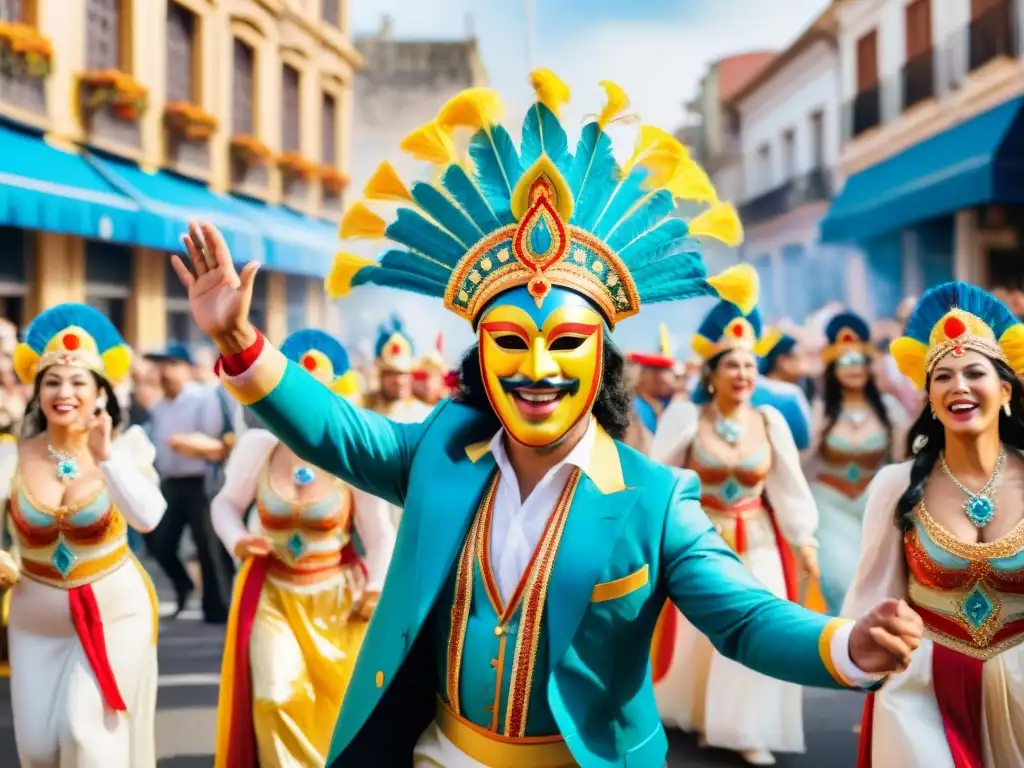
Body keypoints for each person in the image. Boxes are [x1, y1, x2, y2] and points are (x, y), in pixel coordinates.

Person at [172, 71, 922, 768]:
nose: (538, 366)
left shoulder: (654, 500)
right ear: (480, 358)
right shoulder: (439, 449)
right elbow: (335, 431)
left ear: (601, 361)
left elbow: (746, 619)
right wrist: (239, 340)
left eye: (565, 343)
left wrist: (846, 643)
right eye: (510, 342)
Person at [845, 282, 1024, 767]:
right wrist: (866, 661)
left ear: (1005, 389)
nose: (958, 386)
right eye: (942, 376)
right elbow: (872, 597)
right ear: (928, 396)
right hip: (920, 687)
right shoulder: (897, 484)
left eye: (974, 372)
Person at [211, 328, 395, 768]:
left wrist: (375, 590)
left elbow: (380, 533)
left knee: (335, 710)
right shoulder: (258, 446)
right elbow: (224, 504)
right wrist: (238, 540)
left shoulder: (351, 452)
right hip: (272, 593)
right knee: (275, 696)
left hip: (337, 600)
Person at [649, 294, 821, 765]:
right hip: (698, 539)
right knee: (696, 634)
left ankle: (744, 727)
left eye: (750, 365)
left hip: (758, 538)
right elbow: (657, 478)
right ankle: (701, 716)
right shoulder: (686, 417)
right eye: (732, 365)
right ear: (711, 373)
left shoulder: (770, 421)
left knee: (757, 622)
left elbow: (789, 487)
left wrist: (805, 540)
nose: (743, 374)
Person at [0, 303, 165, 766]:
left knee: (85, 735)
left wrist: (107, 457)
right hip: (35, 618)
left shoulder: (127, 448)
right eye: (52, 381)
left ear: (100, 394)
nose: (64, 392)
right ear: (37, 392)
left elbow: (149, 517)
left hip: (116, 612)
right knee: (38, 750)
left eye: (78, 382)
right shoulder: (11, 456)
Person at [808, 313, 907, 615]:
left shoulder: (889, 409)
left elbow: (904, 464)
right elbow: (801, 459)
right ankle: (841, 648)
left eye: (858, 361)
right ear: (833, 367)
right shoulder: (819, 409)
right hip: (830, 504)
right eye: (844, 362)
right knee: (839, 578)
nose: (853, 369)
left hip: (875, 504)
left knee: (879, 584)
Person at [146, 343, 233, 622]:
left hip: (200, 481)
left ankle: (218, 606)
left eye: (170, 365)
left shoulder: (202, 398)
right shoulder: (159, 406)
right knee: (160, 542)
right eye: (160, 366)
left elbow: (219, 442)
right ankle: (184, 585)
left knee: (208, 546)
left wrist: (189, 445)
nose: (164, 372)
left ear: (186, 368)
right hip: (170, 482)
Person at [753, 328, 812, 450]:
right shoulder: (790, 395)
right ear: (783, 360)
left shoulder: (749, 388)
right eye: (799, 357)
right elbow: (803, 442)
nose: (805, 363)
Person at [623, 323, 677, 453]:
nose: (669, 379)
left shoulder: (657, 407)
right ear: (643, 373)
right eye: (660, 370)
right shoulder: (630, 409)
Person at [412, 332, 451, 406]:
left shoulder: (449, 404)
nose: (428, 382)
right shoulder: (408, 405)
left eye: (435, 375)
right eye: (421, 376)